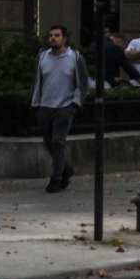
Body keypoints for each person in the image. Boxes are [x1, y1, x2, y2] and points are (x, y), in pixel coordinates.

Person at [31, 24, 88, 193]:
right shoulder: (42, 57)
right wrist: (36, 104)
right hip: (45, 106)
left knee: (58, 141)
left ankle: (55, 178)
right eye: (51, 35)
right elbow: (37, 81)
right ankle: (66, 168)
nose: (53, 38)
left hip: (65, 106)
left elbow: (83, 82)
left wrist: (75, 104)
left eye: (57, 35)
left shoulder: (75, 57)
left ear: (64, 39)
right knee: (48, 141)